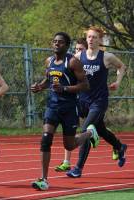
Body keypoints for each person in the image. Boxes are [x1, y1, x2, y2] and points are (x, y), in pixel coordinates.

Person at [30, 32, 99, 191]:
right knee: (46, 139)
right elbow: (49, 80)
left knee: (69, 145)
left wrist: (65, 88)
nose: (56, 44)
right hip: (52, 106)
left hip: (69, 108)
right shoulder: (49, 61)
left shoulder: (73, 62)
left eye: (60, 42)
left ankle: (89, 134)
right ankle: (43, 179)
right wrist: (40, 87)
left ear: (67, 45)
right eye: (54, 41)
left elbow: (85, 85)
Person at [66, 26, 127, 178]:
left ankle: (78, 168)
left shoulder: (107, 57)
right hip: (83, 101)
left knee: (86, 130)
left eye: (94, 37)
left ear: (100, 40)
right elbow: (69, 72)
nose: (91, 40)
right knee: (101, 131)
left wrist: (117, 82)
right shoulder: (79, 56)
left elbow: (122, 66)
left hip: (99, 101)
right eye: (89, 37)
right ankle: (119, 146)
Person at [54, 37, 88, 172]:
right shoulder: (71, 62)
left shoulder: (86, 63)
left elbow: (87, 83)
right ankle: (67, 161)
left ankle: (114, 144)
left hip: (89, 98)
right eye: (76, 49)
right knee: (69, 131)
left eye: (81, 49)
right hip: (74, 101)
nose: (77, 51)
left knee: (97, 126)